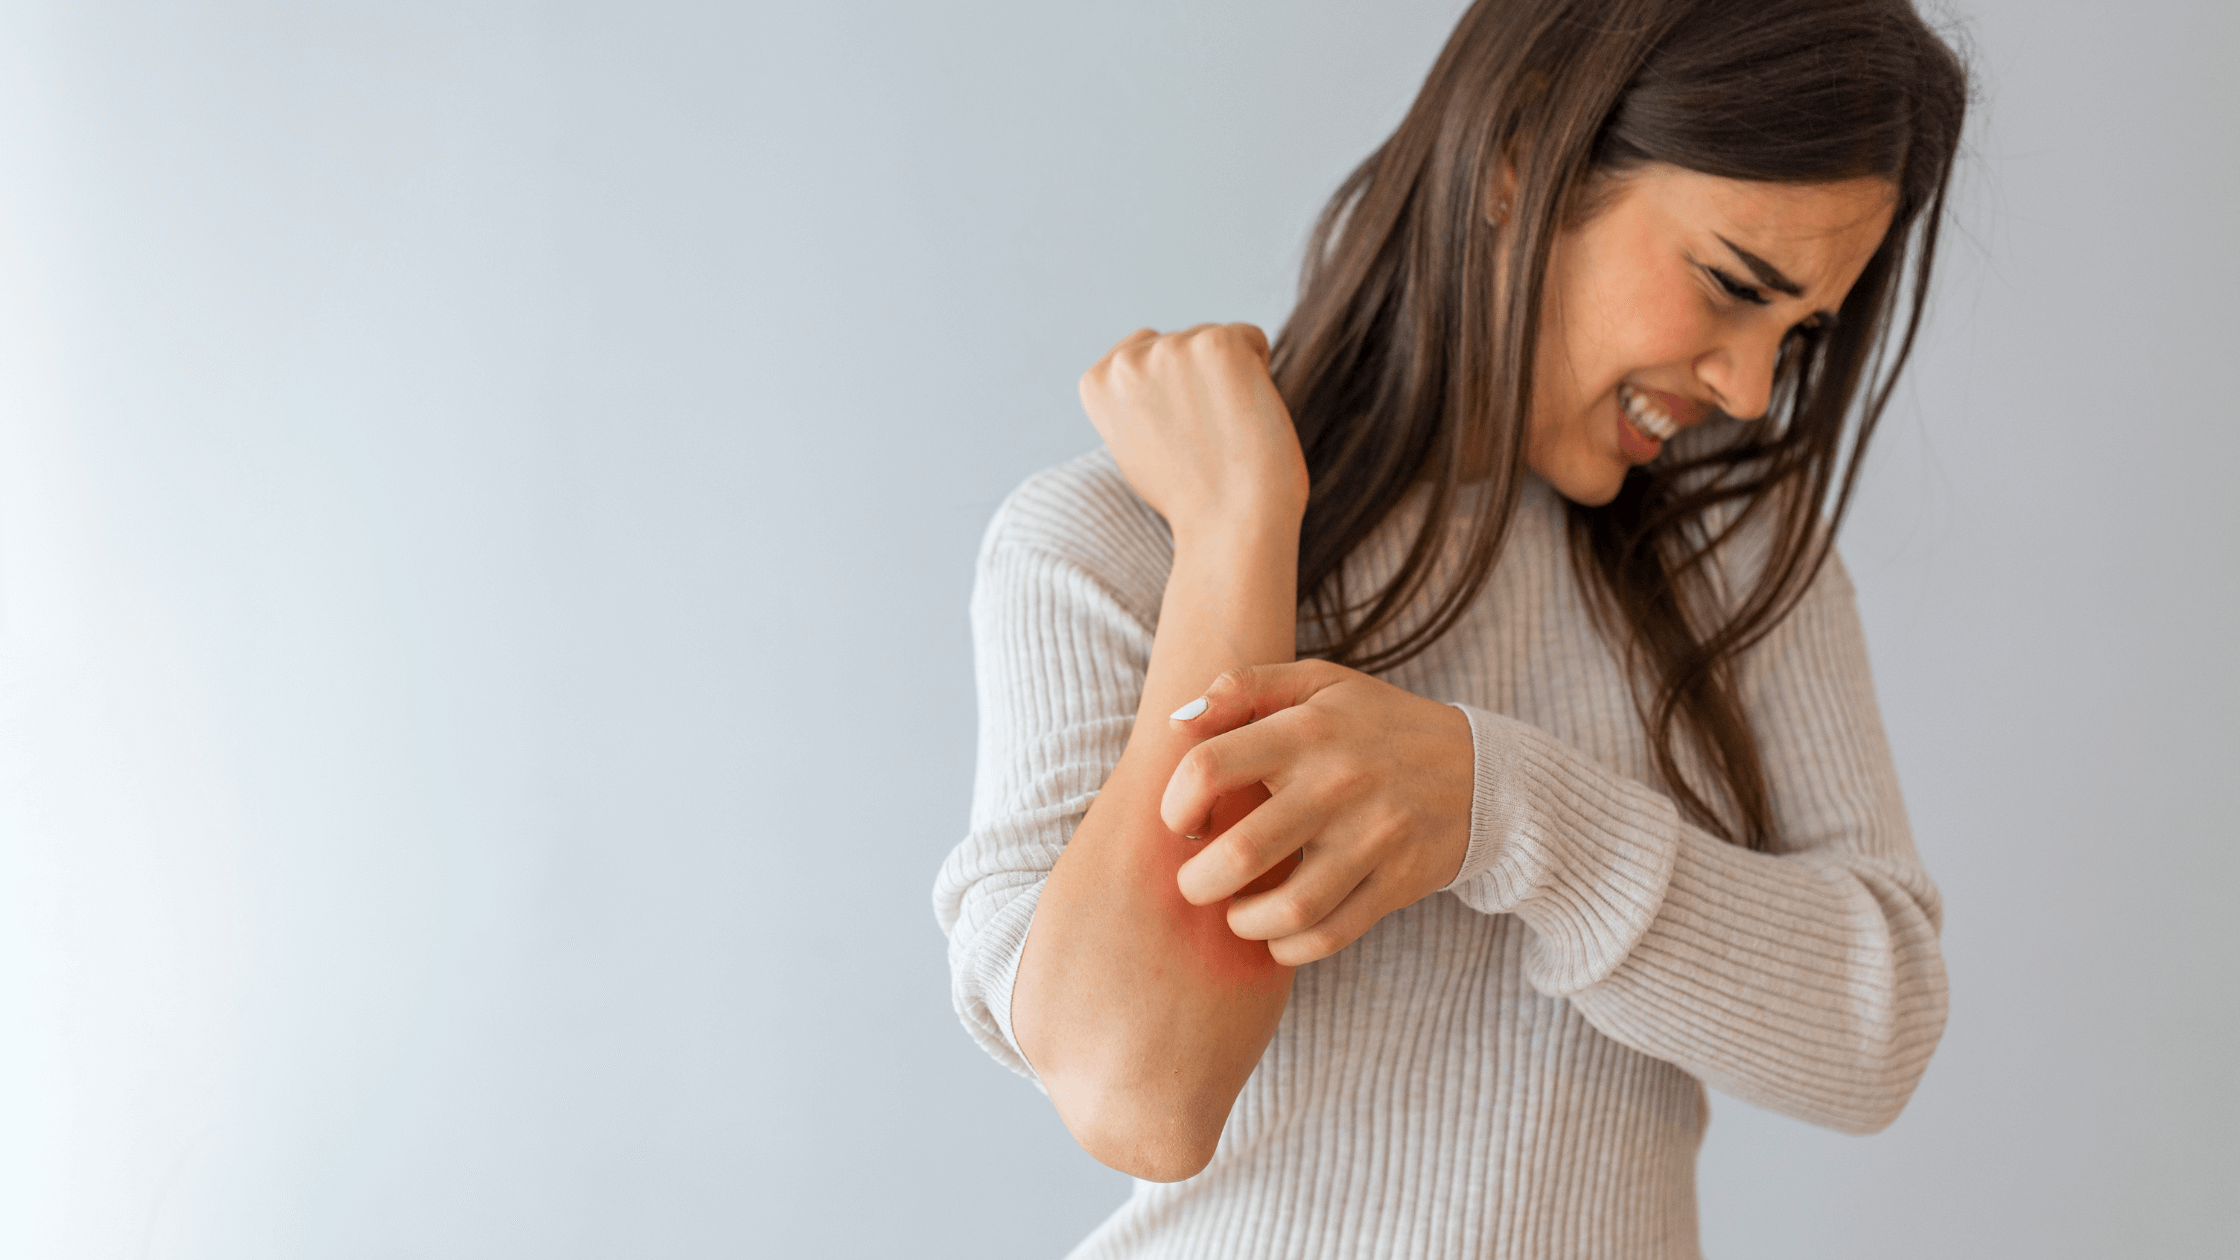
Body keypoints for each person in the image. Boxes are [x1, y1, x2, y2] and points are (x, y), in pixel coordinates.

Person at [933, 0, 1968, 1254]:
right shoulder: (1112, 545)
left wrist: (1504, 808)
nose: (1748, 390)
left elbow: (1875, 1033)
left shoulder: (1731, 565)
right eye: (1729, 285)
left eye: (1793, 332)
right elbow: (1138, 1094)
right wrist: (1237, 528)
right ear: (1520, 152)